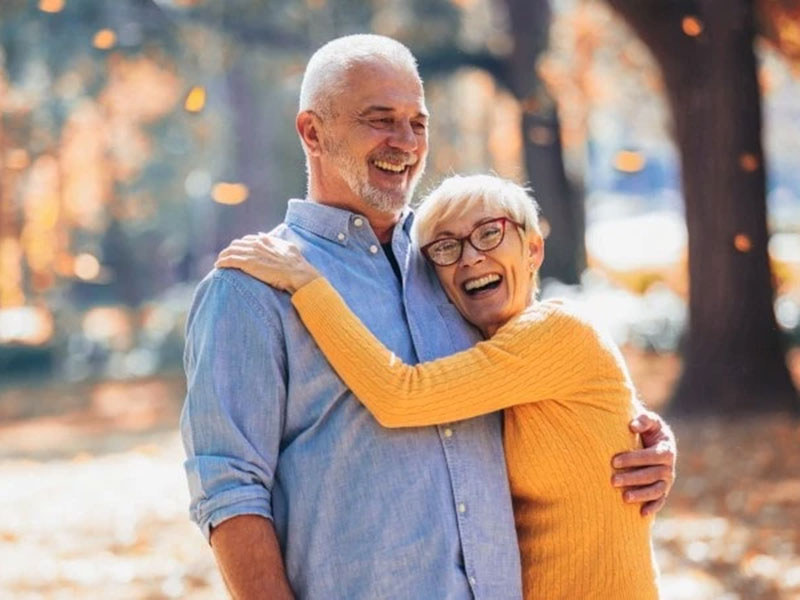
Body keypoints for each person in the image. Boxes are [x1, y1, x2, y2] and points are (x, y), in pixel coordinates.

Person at [182, 34, 676, 600]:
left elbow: (552, 391)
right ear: (313, 132)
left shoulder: (458, 267)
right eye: (381, 119)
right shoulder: (250, 287)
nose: (406, 142)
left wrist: (645, 444)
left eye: (418, 122)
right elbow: (230, 492)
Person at [216, 174, 661, 599]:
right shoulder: (485, 359)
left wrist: (307, 282)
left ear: (533, 249)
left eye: (489, 233)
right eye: (446, 248)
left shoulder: (559, 330)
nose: (470, 257)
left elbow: (400, 395)